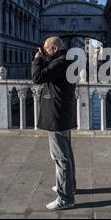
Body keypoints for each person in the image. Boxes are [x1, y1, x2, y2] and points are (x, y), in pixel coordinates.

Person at [31, 36, 77, 210]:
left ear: (55, 48)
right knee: (67, 154)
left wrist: (37, 60)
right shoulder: (65, 60)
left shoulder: (60, 63)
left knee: (60, 157)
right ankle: (70, 186)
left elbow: (37, 77)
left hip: (57, 115)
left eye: (46, 49)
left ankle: (65, 198)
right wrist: (44, 58)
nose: (43, 51)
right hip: (62, 113)